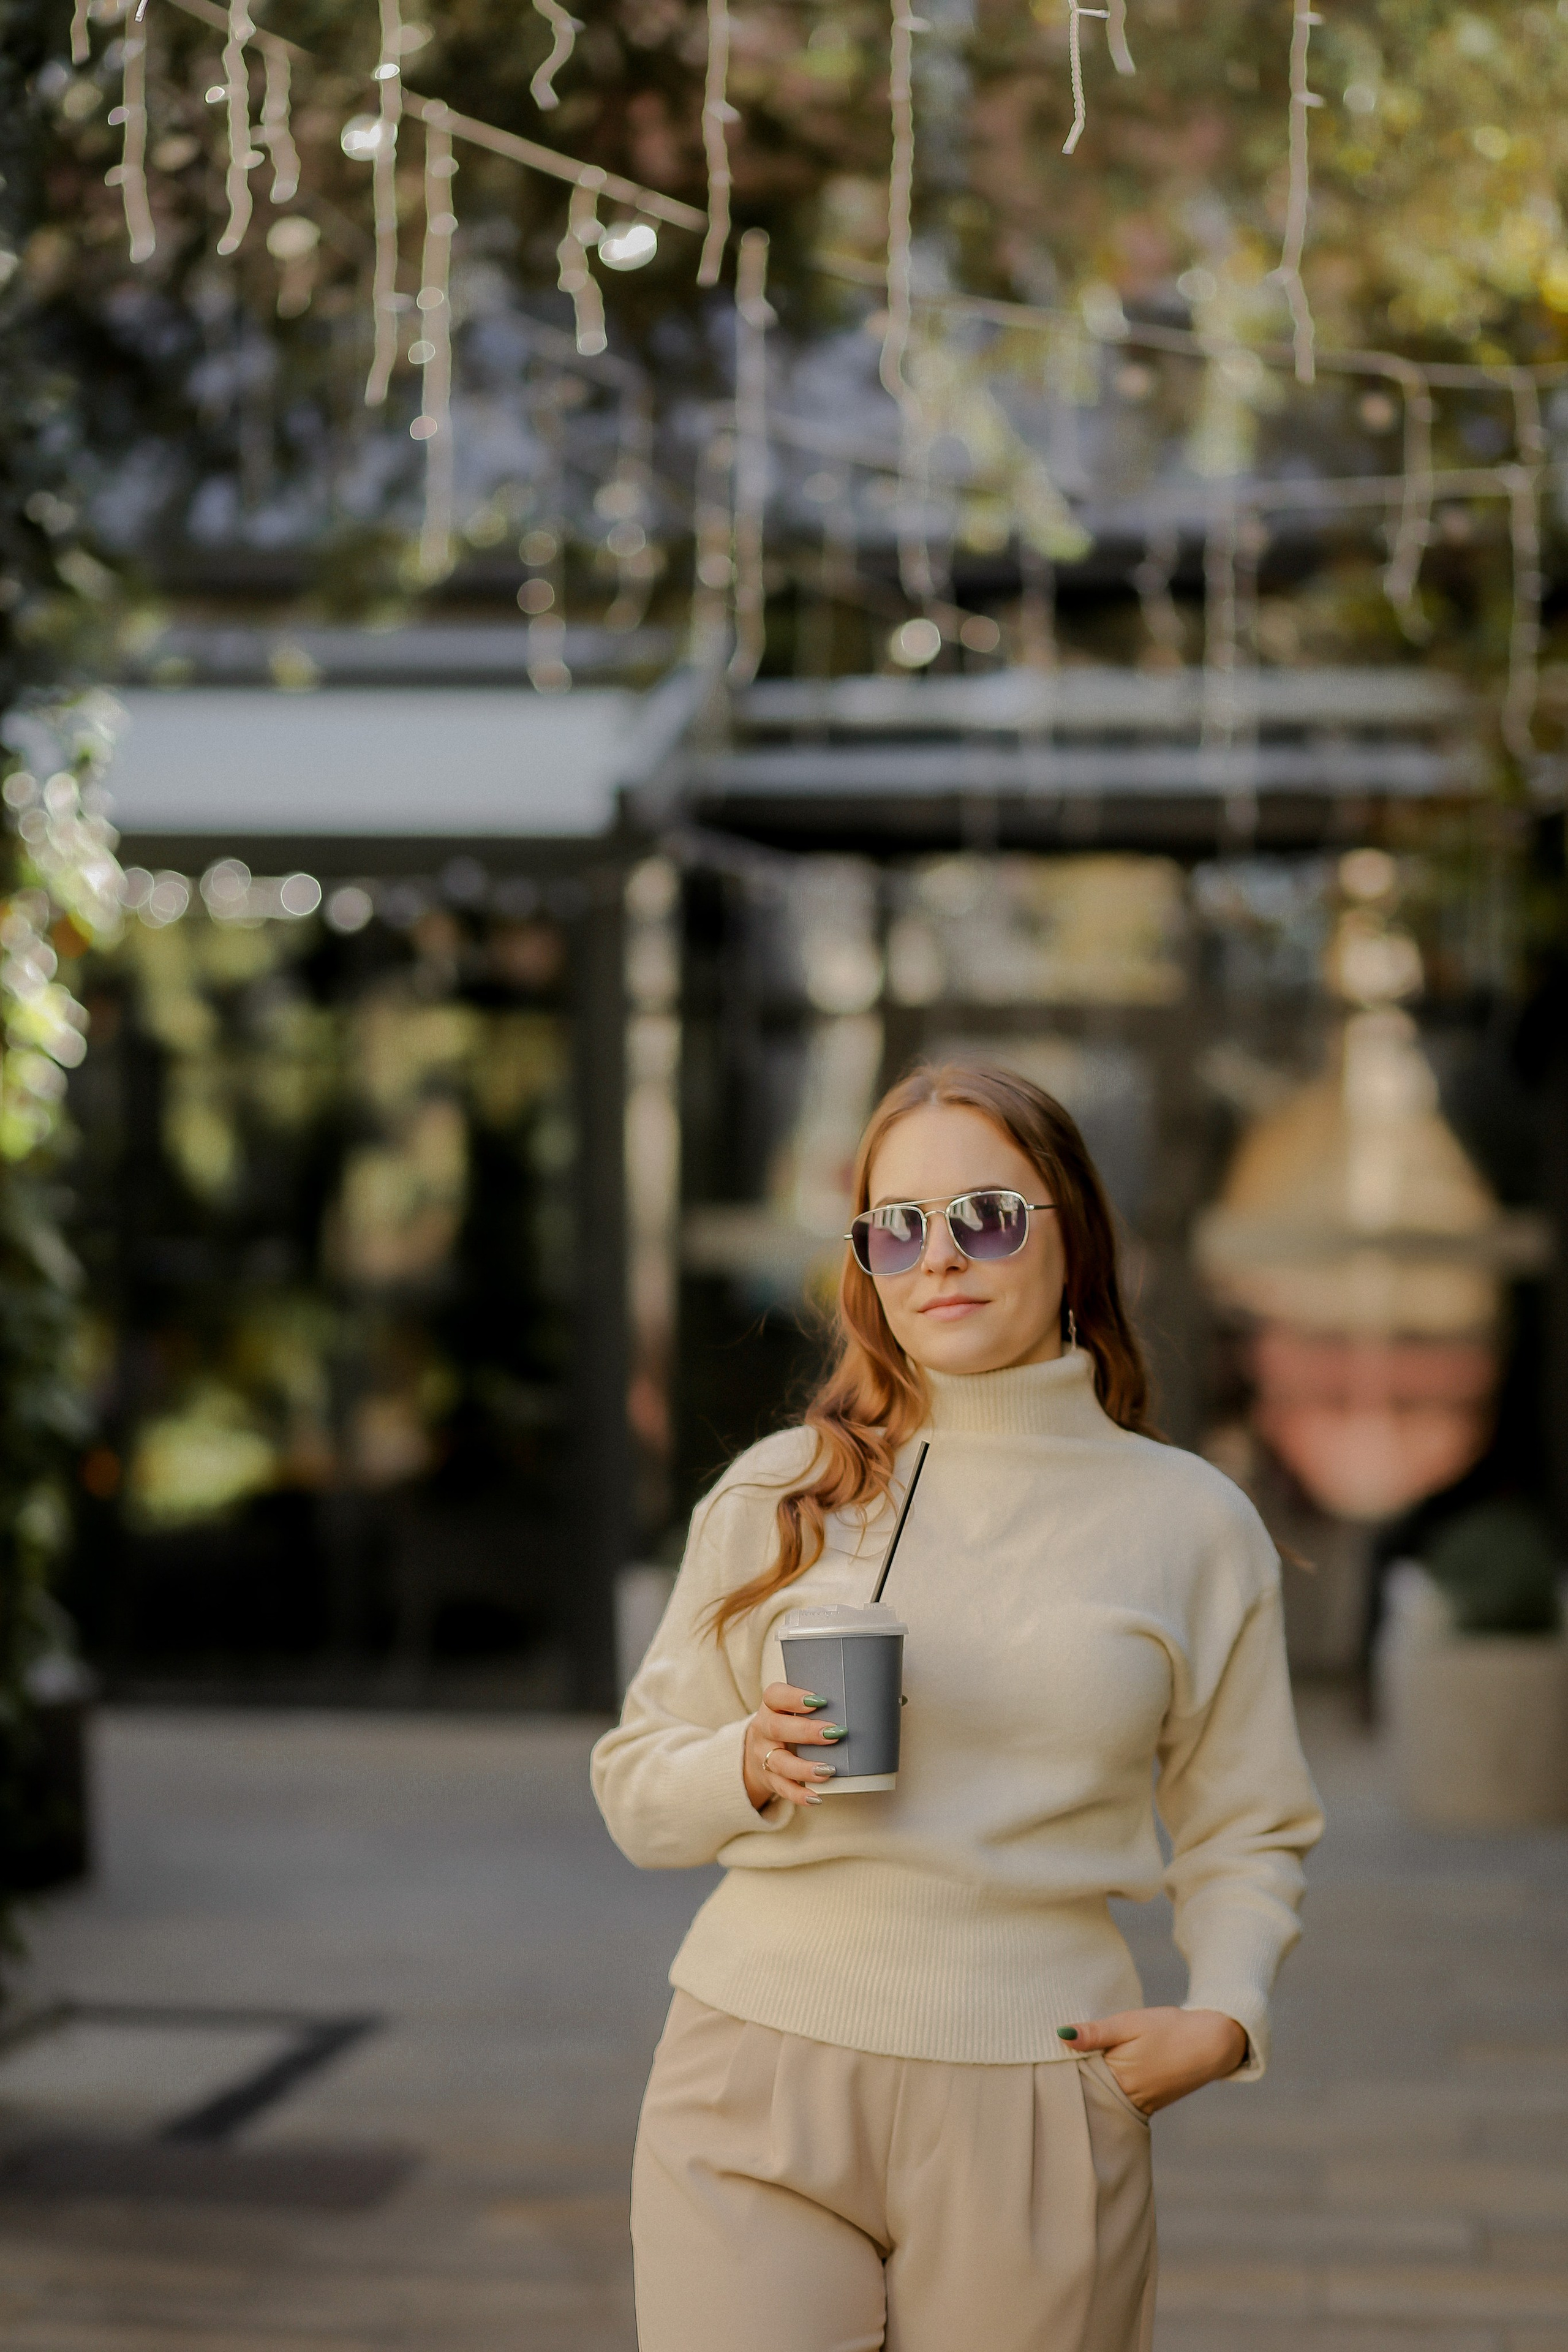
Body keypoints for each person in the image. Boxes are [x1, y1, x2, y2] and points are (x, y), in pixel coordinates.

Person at [592, 1060, 1323, 2352]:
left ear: (1072, 1239)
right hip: (750, 2065)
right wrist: (744, 1766)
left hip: (1037, 2086)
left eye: (984, 1217)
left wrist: (1222, 2012)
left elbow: (1246, 1824)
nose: (939, 1259)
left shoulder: (1188, 1522)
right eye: (895, 1227)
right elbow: (638, 1790)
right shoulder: (778, 1494)